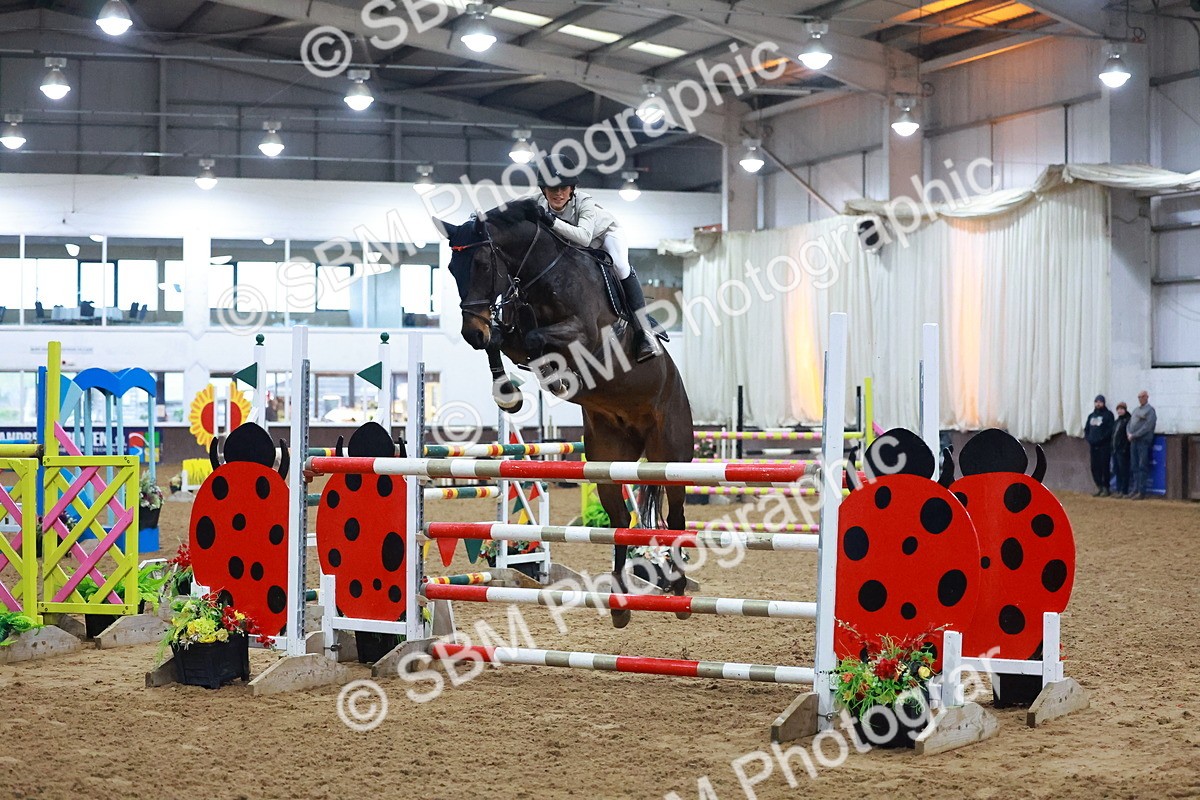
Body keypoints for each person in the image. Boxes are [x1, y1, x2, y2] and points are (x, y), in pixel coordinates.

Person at [531, 155, 662, 363]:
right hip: (576, 242)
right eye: (552, 188)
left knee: (620, 266)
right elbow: (510, 207)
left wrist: (551, 221)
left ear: (571, 189)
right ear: (543, 190)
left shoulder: (584, 201)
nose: (558, 193)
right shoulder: (537, 202)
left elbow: (584, 237)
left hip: (605, 235)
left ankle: (644, 331)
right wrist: (483, 218)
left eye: (563, 188)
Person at [1126, 390, 1157, 499]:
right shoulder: (1135, 410)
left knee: (1142, 465)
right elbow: (1129, 423)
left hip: (1143, 441)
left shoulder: (1150, 411)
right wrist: (1129, 433)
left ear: (1147, 397)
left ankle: (1141, 491)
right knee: (1134, 466)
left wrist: (1135, 434)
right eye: (1139, 397)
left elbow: (1147, 426)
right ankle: (1135, 489)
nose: (1140, 398)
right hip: (1133, 441)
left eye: (1142, 396)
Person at [1083, 395, 1114, 496]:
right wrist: (1089, 439)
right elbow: (1087, 429)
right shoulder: (1091, 416)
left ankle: (1106, 488)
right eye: (1096, 402)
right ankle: (1099, 486)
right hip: (1093, 446)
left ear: (1104, 403)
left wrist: (1101, 439)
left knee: (1104, 467)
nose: (1098, 403)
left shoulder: (1108, 415)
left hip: (1104, 446)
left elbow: (1110, 430)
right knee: (1094, 467)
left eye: (1100, 402)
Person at [1111, 401, 1131, 496]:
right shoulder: (1116, 422)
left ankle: (1124, 491)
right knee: (1117, 470)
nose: (1120, 411)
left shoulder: (1128, 421)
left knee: (1124, 470)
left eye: (1121, 409)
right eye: (1118, 409)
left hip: (1122, 450)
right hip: (1115, 450)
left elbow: (1127, 438)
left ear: (1125, 410)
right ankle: (1119, 490)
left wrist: (1124, 448)